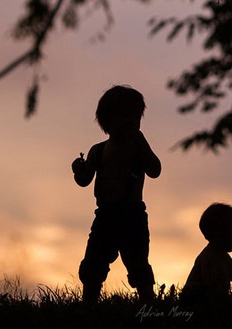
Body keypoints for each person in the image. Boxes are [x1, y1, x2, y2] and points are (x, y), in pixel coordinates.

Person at [71, 85, 161, 304]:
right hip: (105, 215)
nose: (130, 122)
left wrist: (143, 143)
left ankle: (148, 303)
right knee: (95, 260)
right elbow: (84, 181)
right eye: (123, 117)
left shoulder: (138, 147)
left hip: (133, 214)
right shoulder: (98, 150)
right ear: (107, 122)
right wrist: (78, 170)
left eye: (134, 117)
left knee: (138, 260)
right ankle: (89, 303)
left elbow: (155, 170)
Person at [181, 203, 232, 304]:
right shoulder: (209, 257)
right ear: (221, 233)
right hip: (197, 303)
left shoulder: (222, 255)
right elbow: (211, 290)